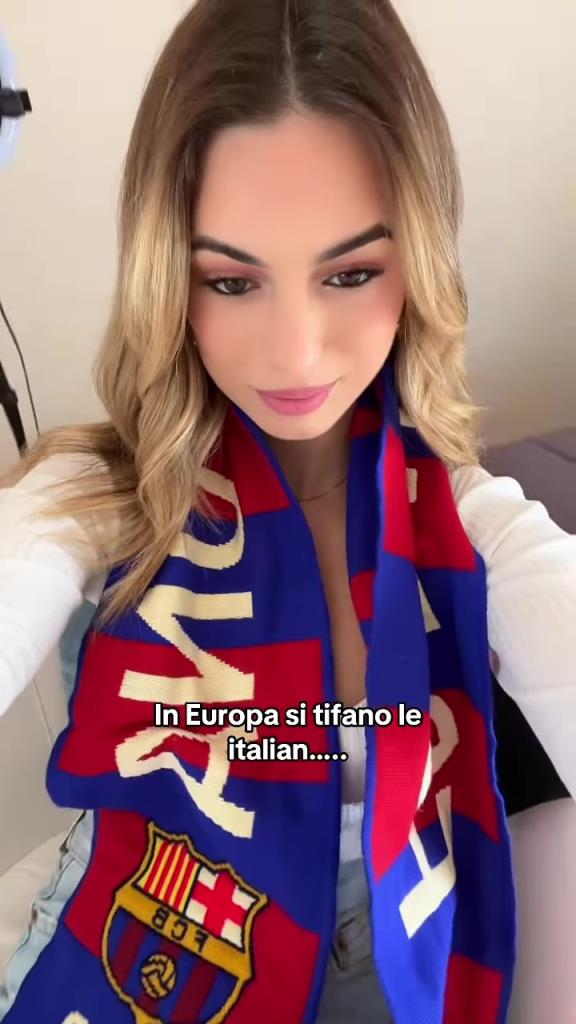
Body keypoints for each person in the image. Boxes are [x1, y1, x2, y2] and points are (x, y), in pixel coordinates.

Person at [0, 1, 574, 1021]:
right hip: (154, 924)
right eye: (233, 281)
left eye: (351, 272)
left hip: (398, 931)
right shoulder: (97, 496)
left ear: (419, 261)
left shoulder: (468, 525)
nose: (297, 351)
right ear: (168, 276)